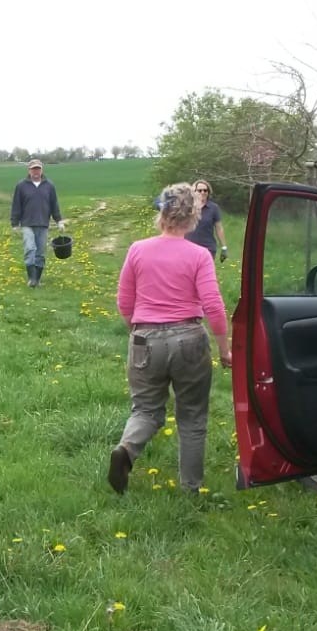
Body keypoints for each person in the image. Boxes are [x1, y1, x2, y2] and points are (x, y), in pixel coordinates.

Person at [108, 182, 232, 495]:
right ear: (194, 216)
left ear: (161, 214)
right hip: (189, 337)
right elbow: (214, 305)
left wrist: (137, 332)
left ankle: (126, 450)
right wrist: (224, 349)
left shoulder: (137, 249)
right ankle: (191, 488)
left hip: (145, 337)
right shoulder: (200, 255)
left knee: (146, 410)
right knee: (192, 416)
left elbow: (124, 302)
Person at [9, 158, 67, 287]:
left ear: (42, 170)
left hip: (43, 224)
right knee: (30, 249)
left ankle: (37, 280)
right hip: (27, 224)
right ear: (29, 171)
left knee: (40, 253)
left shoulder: (49, 186)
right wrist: (15, 223)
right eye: (33, 169)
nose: (36, 171)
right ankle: (31, 279)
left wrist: (59, 221)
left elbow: (54, 205)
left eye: (38, 169)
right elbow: (16, 205)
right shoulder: (21, 186)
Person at [185, 178, 229, 262]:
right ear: (194, 192)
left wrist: (224, 247)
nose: (203, 192)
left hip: (208, 248)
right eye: (199, 190)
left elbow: (219, 228)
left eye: (205, 190)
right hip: (189, 247)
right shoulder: (187, 207)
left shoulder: (214, 208)